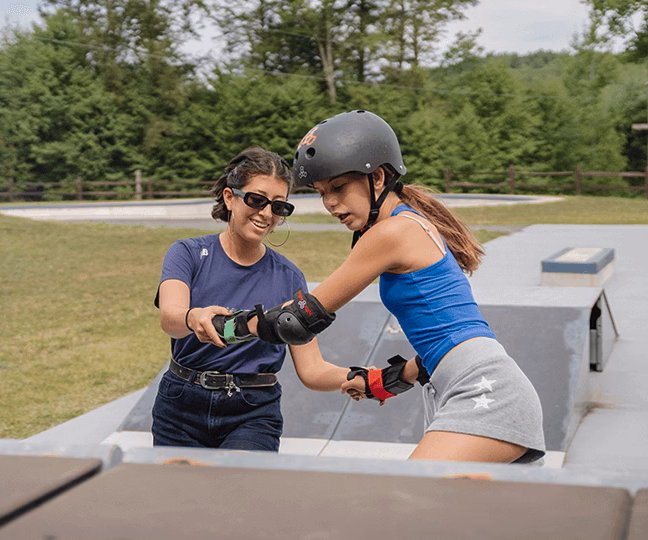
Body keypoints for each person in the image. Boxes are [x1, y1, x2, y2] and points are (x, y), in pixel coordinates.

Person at [218, 111, 546, 463]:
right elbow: (441, 341)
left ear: (376, 177)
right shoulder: (410, 223)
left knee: (399, 502)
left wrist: (229, 326)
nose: (330, 203)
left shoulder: (390, 233)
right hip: (466, 383)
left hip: (483, 390)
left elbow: (295, 322)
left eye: (339, 187)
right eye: (322, 192)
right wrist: (380, 381)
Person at [153, 146, 352, 451]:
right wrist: (194, 317)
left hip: (253, 413)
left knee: (241, 497)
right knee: (181, 499)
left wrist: (367, 378)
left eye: (279, 207)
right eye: (256, 200)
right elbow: (171, 319)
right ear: (229, 198)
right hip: (180, 406)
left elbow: (312, 370)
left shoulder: (289, 276)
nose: (266, 214)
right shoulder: (187, 253)